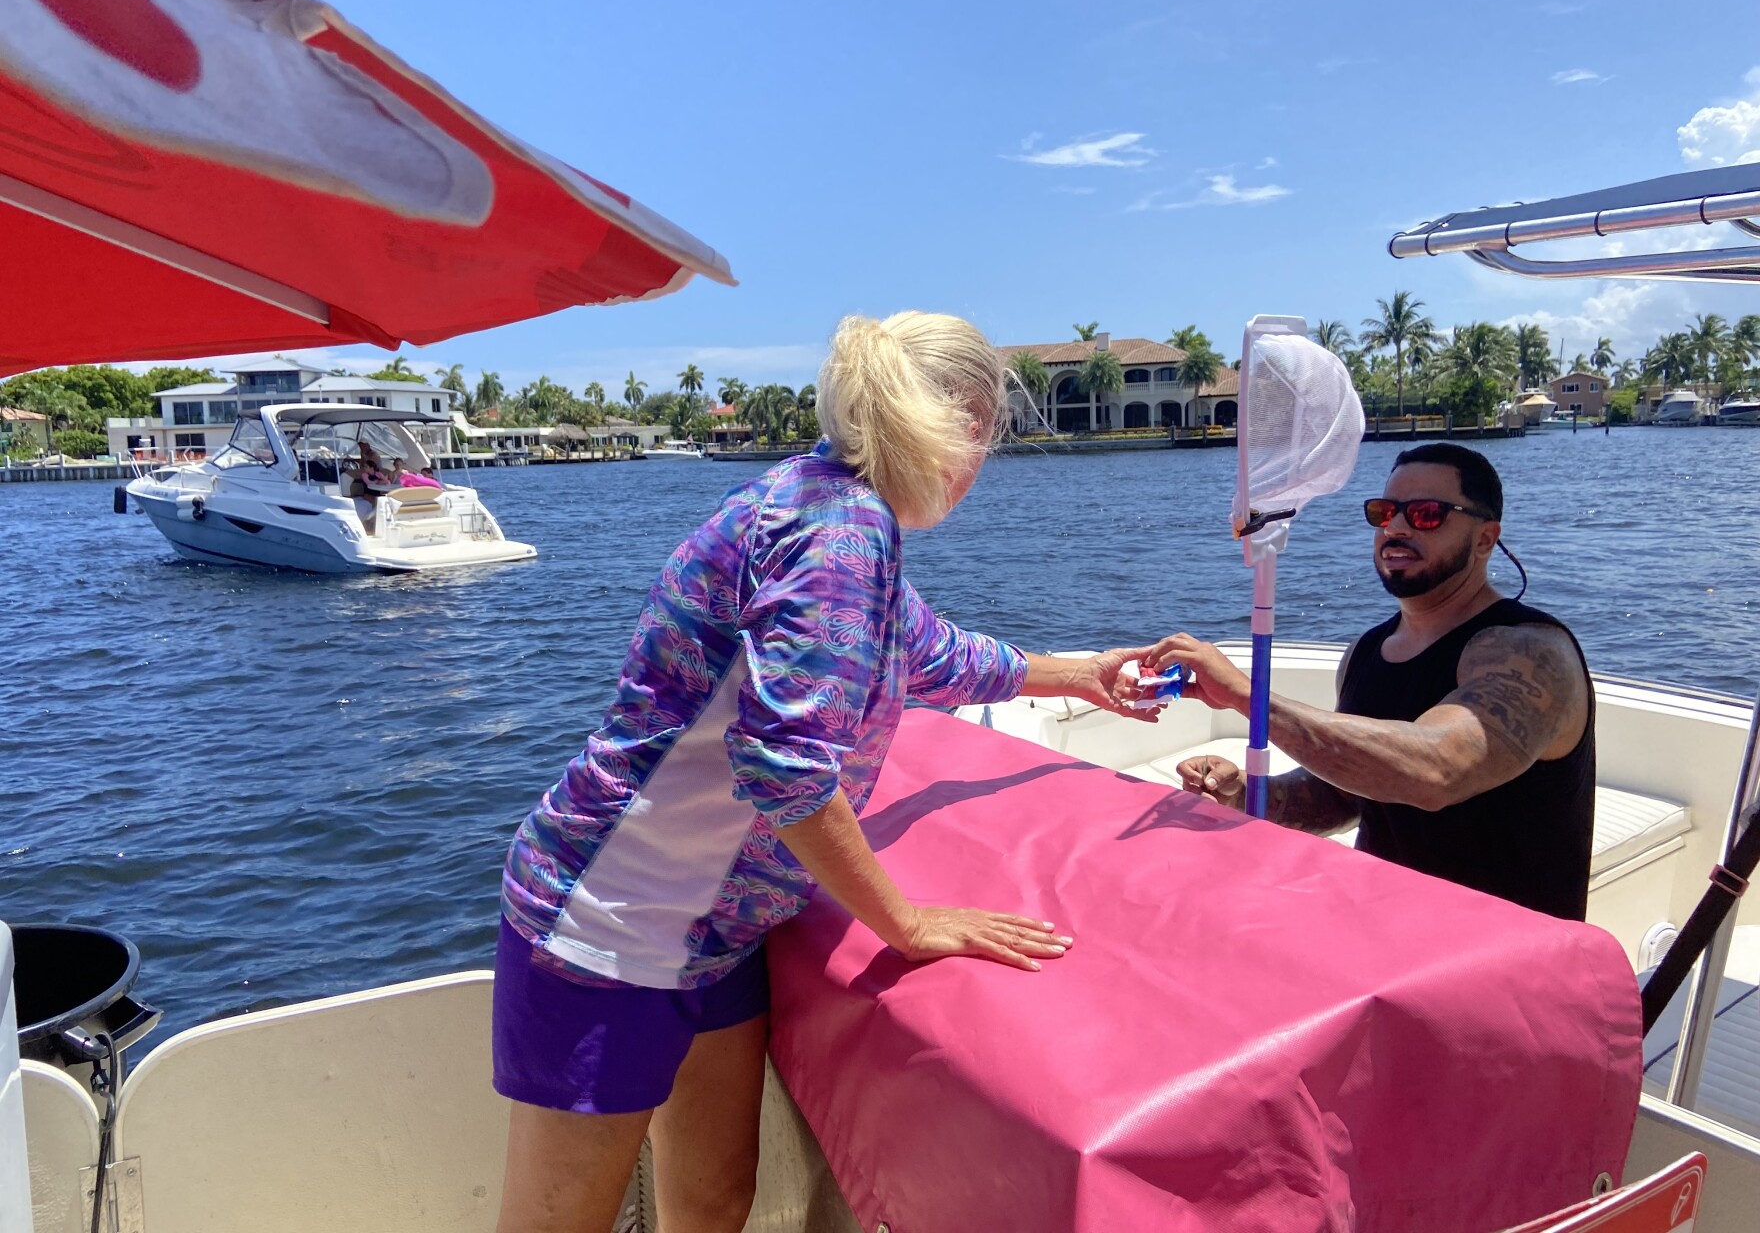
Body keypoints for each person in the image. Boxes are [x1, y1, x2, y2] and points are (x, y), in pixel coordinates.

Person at [494, 311, 1157, 1233]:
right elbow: (784, 768)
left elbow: (928, 654)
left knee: (716, 1201)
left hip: (712, 932)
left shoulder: (834, 504)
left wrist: (1081, 674)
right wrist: (909, 923)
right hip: (613, 925)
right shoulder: (838, 533)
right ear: (965, 426)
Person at [1148, 443, 1595, 921]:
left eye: (1427, 513)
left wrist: (1248, 699)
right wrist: (1245, 795)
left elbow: (1436, 770)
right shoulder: (1368, 650)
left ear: (1485, 539)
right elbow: (1347, 795)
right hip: (1385, 936)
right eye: (1385, 512)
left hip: (1505, 963)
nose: (1397, 527)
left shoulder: (1530, 653)